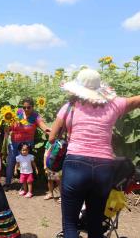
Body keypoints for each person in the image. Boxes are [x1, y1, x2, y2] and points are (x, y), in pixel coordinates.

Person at [49, 69, 140, 238]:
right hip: (104, 167)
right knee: (95, 222)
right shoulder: (114, 104)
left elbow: (52, 137)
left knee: (70, 224)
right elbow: (136, 100)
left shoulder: (69, 107)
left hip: (75, 164)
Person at [4, 97, 51, 190]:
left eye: (28, 107)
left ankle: (24, 186)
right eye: (24, 107)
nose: (26, 109)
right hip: (14, 143)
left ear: (33, 107)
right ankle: (7, 183)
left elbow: (43, 126)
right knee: (10, 163)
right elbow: (9, 125)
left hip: (26, 145)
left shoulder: (35, 116)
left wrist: (52, 132)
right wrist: (6, 130)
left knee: (24, 164)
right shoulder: (17, 113)